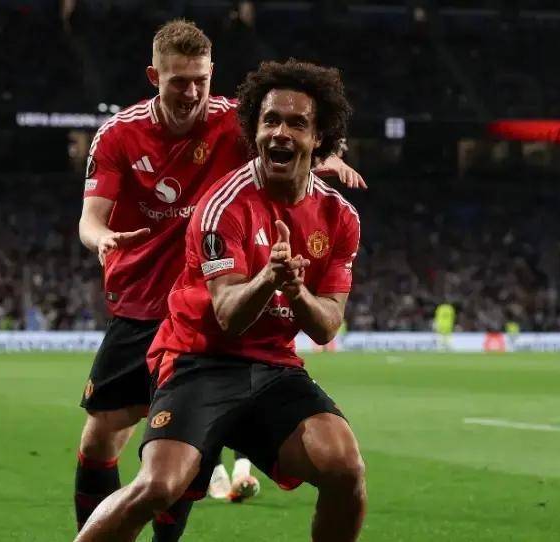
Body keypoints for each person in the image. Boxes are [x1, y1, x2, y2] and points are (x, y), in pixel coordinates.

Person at [74, 19, 364, 539]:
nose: (191, 93)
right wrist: (102, 238)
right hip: (158, 310)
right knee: (111, 446)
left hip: (250, 337)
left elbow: (289, 134)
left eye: (201, 81)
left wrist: (324, 157)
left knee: (331, 466)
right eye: (178, 81)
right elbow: (90, 218)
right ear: (154, 77)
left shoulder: (238, 122)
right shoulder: (121, 134)